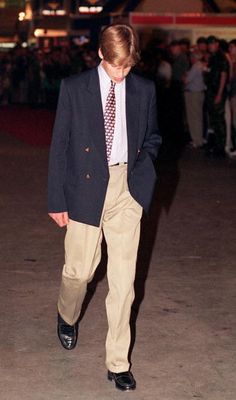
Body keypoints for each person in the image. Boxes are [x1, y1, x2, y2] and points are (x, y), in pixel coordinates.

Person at [48, 23, 161, 392]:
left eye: (127, 67)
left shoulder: (143, 89)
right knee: (79, 272)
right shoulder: (74, 88)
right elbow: (59, 146)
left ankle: (117, 362)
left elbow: (153, 136)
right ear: (101, 54)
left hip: (126, 190)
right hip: (84, 189)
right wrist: (57, 199)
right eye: (116, 67)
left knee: (124, 282)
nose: (121, 74)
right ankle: (67, 315)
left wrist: (143, 174)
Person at [205, 36, 229, 157]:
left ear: (217, 44)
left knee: (219, 120)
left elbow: (223, 76)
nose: (210, 46)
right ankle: (216, 146)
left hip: (217, 92)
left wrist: (219, 93)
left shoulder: (221, 57)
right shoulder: (213, 57)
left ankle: (221, 147)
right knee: (214, 120)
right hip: (211, 91)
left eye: (212, 44)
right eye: (209, 44)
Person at [184, 51, 206, 148]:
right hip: (200, 93)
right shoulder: (202, 65)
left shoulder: (195, 66)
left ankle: (196, 140)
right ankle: (199, 139)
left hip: (193, 94)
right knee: (198, 117)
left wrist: (184, 76)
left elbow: (186, 80)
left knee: (193, 118)